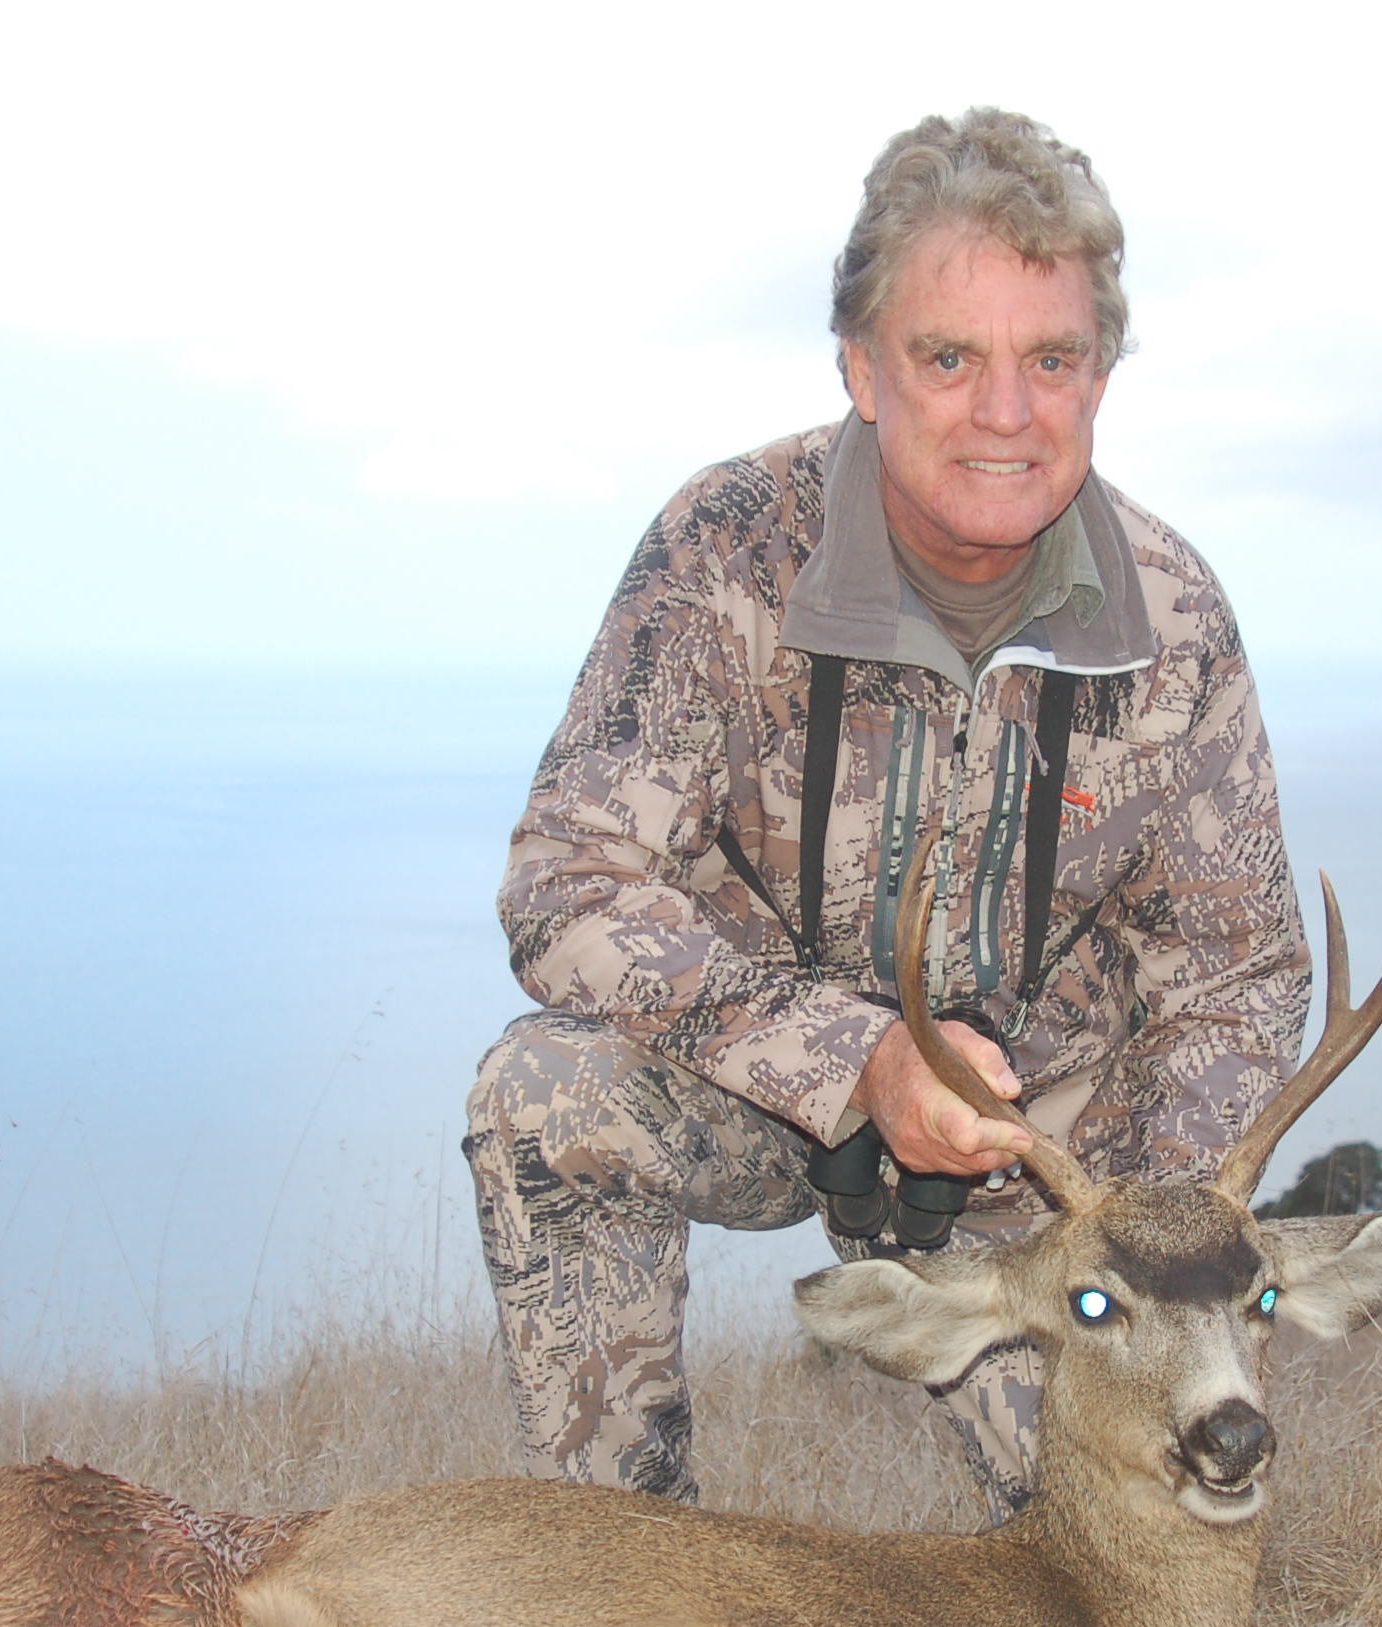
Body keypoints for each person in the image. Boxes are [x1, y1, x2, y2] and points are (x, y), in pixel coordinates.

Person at [465, 108, 1309, 1519]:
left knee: (1146, 1559)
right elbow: (569, 882)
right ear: (864, 367)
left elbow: (1238, 977)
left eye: (1053, 360)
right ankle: (623, 1580)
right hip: (754, 1086)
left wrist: (1123, 1229)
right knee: (546, 1096)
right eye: (948, 357)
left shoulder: (1172, 620)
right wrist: (856, 1064)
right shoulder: (727, 548)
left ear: (1102, 376)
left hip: (1037, 1178)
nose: (1006, 413)